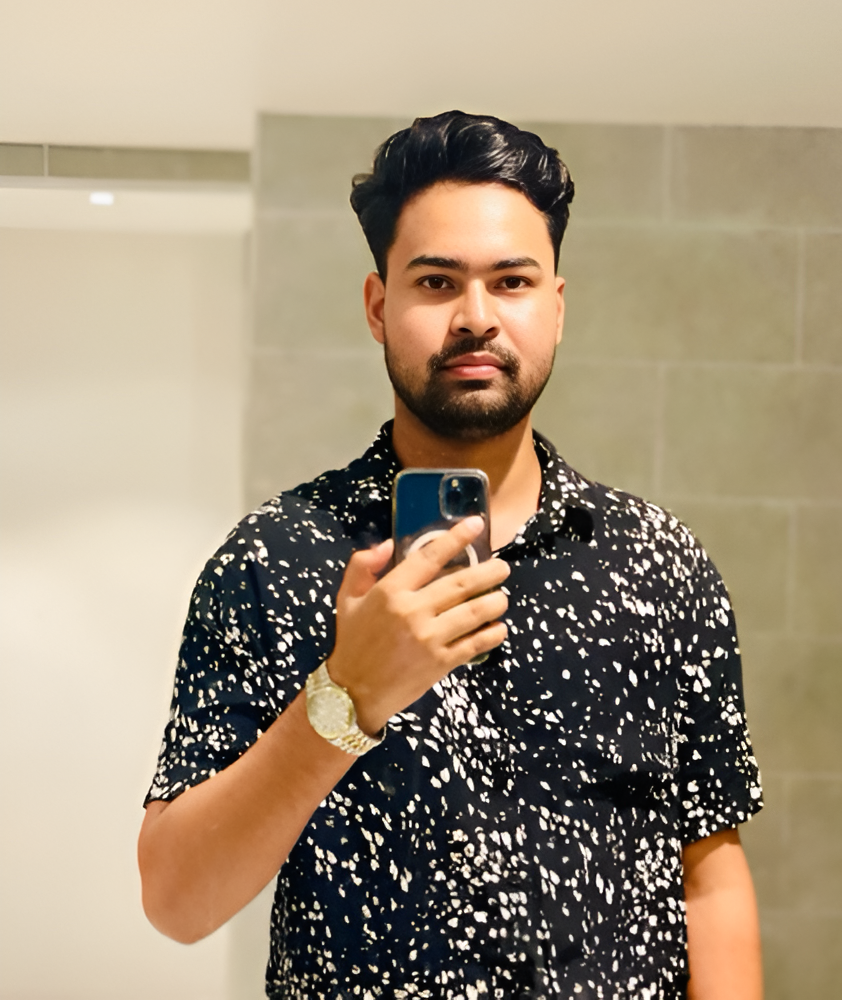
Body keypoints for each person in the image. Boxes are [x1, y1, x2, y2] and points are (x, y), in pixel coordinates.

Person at [139, 111, 763, 1000]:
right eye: (437, 282)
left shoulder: (659, 565)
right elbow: (176, 899)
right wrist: (345, 697)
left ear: (556, 305)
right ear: (378, 305)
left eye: (512, 281)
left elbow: (711, 874)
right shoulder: (277, 558)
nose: (476, 317)